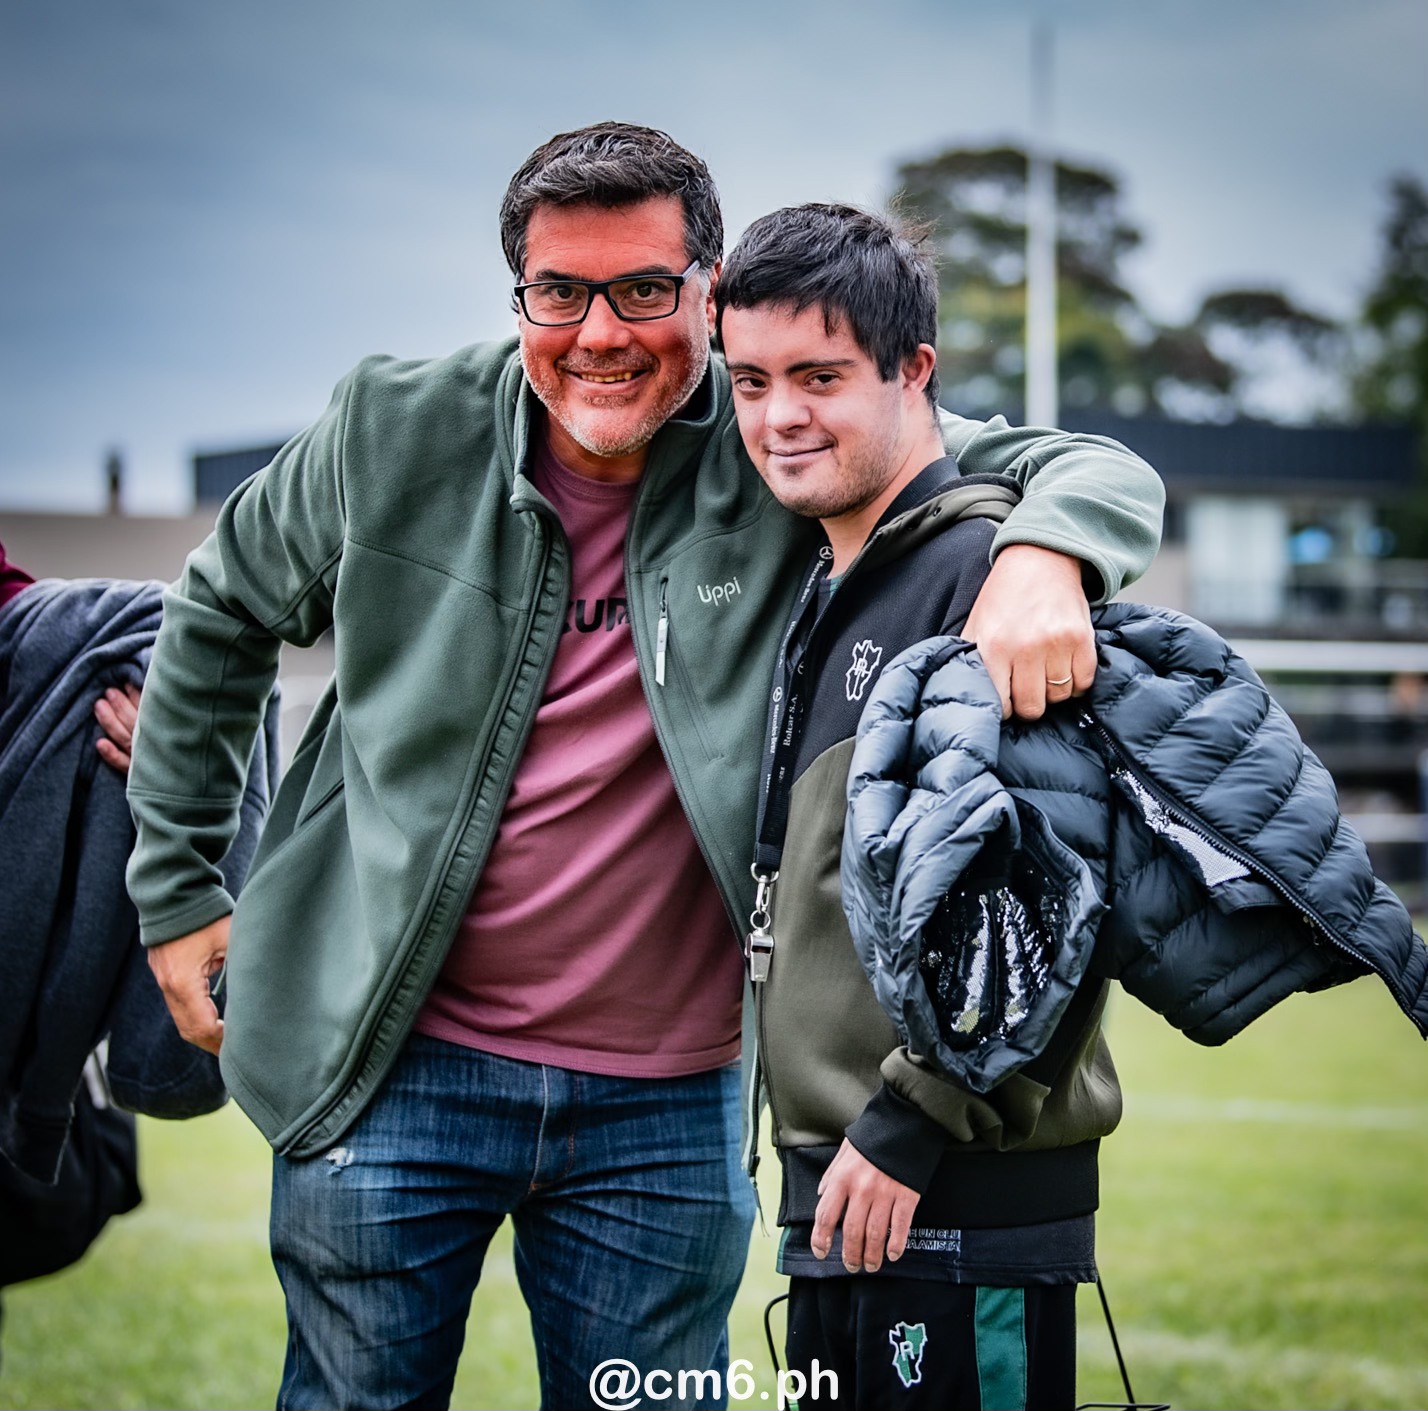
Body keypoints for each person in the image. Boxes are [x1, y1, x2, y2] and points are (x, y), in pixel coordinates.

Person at [126, 122, 1164, 1410]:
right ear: (521, 297)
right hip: (393, 1068)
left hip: (664, 1107)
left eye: (644, 291)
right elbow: (216, 609)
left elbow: (1086, 466)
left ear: (708, 294)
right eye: (560, 292)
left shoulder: (778, 429)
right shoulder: (394, 425)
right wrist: (177, 891)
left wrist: (1045, 554)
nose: (600, 331)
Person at [717, 204, 1113, 1409]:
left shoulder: (987, 571)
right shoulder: (826, 575)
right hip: (841, 1181)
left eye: (820, 376)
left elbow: (1058, 889)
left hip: (946, 1188)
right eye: (750, 380)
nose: (780, 415)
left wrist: (913, 1119)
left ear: (915, 371)